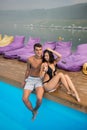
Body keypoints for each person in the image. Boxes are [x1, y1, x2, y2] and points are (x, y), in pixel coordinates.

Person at [22, 43, 44, 120]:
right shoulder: (30, 59)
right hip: (30, 79)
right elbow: (28, 70)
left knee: (39, 99)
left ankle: (36, 109)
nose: (39, 52)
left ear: (42, 50)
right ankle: (33, 111)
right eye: (37, 50)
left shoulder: (45, 59)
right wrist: (24, 80)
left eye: (40, 50)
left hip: (39, 80)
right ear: (34, 50)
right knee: (24, 99)